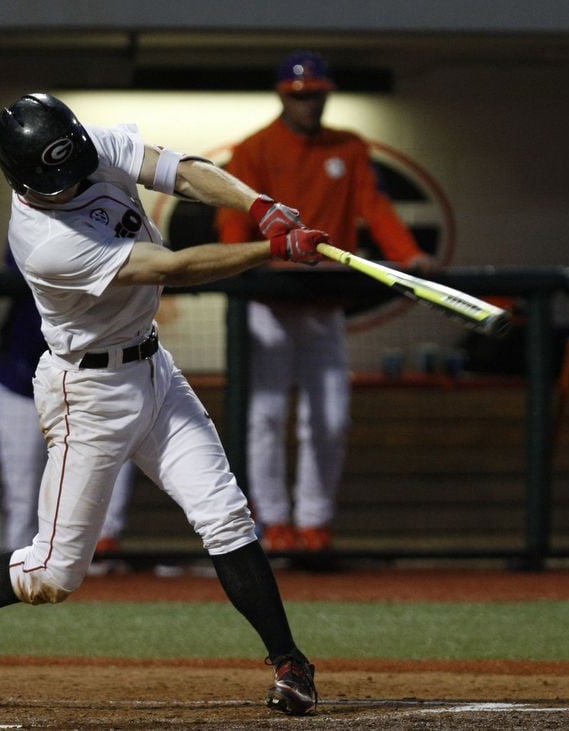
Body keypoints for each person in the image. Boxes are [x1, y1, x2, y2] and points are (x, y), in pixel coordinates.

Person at [0, 92, 328, 716]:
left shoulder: (84, 143)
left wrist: (260, 206)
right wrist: (270, 252)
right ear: (25, 180)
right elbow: (173, 266)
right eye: (59, 178)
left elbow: (180, 170)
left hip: (153, 368)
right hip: (89, 393)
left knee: (225, 514)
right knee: (52, 576)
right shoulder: (45, 242)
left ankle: (291, 663)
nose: (76, 178)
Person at [215, 50, 435, 555]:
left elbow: (373, 207)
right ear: (283, 96)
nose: (309, 104)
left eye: (316, 94)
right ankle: (273, 521)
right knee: (265, 417)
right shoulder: (254, 149)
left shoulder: (350, 147)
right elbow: (232, 224)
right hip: (269, 303)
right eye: (300, 96)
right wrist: (237, 264)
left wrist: (408, 253)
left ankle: (315, 523)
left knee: (331, 417)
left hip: (324, 301)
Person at [0, 248, 136, 567]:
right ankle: (17, 578)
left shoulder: (117, 219)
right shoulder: (33, 218)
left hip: (95, 379)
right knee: (24, 499)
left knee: (105, 486)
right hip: (22, 378)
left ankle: (101, 580)